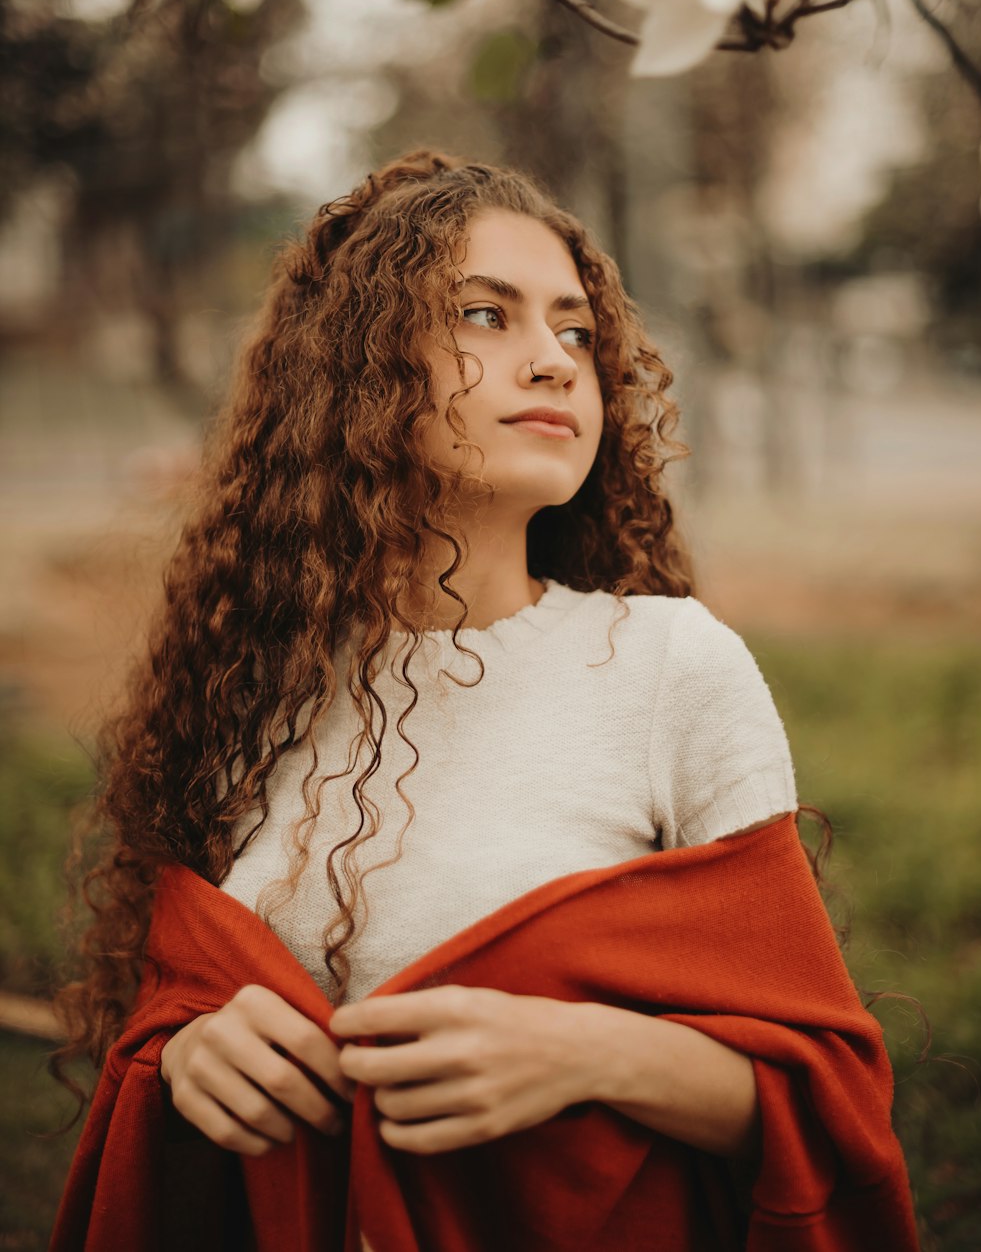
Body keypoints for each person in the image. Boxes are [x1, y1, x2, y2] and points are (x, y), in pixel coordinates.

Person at [51, 148, 919, 1251]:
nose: (553, 363)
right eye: (482, 314)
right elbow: (173, 1007)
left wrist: (589, 1054)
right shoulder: (254, 683)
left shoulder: (667, 670)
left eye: (575, 333)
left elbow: (823, 1100)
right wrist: (181, 1057)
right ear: (356, 369)